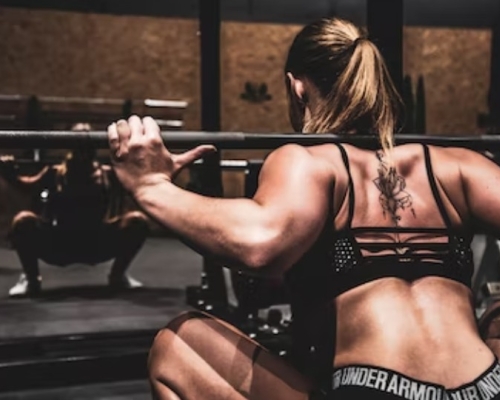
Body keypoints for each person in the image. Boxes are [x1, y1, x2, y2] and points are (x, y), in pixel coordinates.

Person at [108, 17, 500, 400]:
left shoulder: (310, 162)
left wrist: (150, 185)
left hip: (376, 391)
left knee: (178, 345)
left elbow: (261, 243)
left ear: (296, 86)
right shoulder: (458, 164)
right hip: (486, 386)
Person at [3, 122, 149, 297]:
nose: (83, 151)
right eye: (79, 145)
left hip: (96, 243)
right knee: (23, 221)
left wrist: (139, 165)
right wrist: (8, 171)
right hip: (59, 244)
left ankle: (117, 277)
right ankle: (31, 279)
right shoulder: (55, 173)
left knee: (137, 221)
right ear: (70, 147)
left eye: (87, 146)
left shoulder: (107, 174)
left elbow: (136, 186)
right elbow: (24, 186)